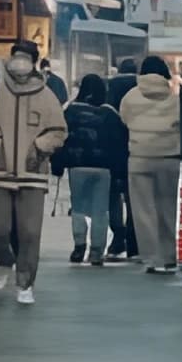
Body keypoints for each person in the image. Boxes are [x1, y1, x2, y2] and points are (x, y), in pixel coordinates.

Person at [0, 38, 66, 304]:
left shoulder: (46, 96)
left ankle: (25, 282)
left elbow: (59, 131)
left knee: (30, 232)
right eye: (17, 56)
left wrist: (41, 145)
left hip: (33, 175)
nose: (20, 62)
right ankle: (5, 259)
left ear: (34, 63)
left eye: (26, 57)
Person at [118, 54, 181, 274]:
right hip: (169, 158)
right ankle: (169, 256)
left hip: (140, 158)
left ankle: (152, 258)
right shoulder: (174, 97)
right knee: (168, 208)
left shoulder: (130, 97)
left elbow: (123, 119)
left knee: (144, 211)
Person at [55, 72, 127, 266]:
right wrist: (120, 172)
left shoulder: (71, 111)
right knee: (100, 210)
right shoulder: (110, 114)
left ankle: (79, 246)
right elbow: (119, 144)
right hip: (104, 169)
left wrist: (58, 164)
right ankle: (97, 251)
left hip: (77, 166)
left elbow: (61, 139)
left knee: (78, 207)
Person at [105, 56, 141, 260]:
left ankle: (117, 238)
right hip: (135, 143)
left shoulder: (112, 84)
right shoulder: (139, 84)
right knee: (132, 196)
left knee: (113, 195)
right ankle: (133, 239)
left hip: (113, 144)